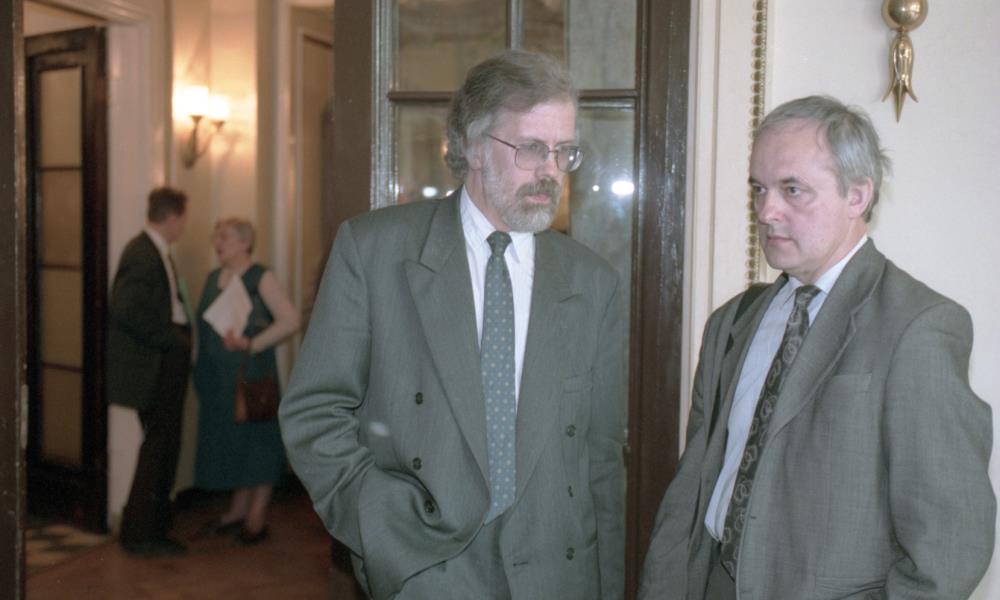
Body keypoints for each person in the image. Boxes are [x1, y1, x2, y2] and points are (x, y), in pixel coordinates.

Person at [280, 50, 626, 599]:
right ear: (473, 145)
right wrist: (382, 526)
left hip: (556, 577)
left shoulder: (593, 282)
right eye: (532, 148)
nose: (551, 171)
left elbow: (602, 460)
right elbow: (314, 413)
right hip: (426, 572)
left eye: (564, 151)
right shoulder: (374, 251)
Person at [639, 95, 996, 599]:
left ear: (857, 196)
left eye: (792, 190)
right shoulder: (733, 322)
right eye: (759, 189)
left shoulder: (919, 327)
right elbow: (690, 494)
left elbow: (949, 545)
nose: (766, 211)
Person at [192, 218, 299, 544]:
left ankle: (256, 517)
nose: (217, 243)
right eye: (216, 237)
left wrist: (252, 343)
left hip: (251, 376)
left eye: (224, 237)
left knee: (258, 444)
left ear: (245, 243)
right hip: (219, 379)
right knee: (234, 443)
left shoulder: (261, 277)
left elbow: (290, 320)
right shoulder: (214, 277)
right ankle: (238, 510)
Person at [107, 186, 192, 556]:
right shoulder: (141, 252)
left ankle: (151, 528)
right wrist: (171, 339)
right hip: (157, 363)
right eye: (182, 219)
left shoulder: (154, 251)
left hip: (164, 361)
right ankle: (141, 533)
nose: (183, 226)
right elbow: (125, 309)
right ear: (172, 217)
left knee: (164, 445)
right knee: (158, 447)